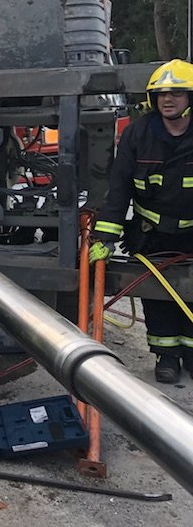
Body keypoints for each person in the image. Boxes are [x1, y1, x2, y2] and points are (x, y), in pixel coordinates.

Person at [90, 59, 193, 384]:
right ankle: (166, 356)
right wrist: (105, 238)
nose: (168, 99)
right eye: (161, 93)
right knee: (157, 295)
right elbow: (119, 187)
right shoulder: (138, 134)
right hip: (152, 235)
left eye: (176, 93)